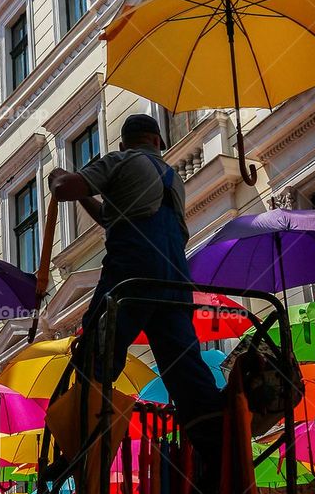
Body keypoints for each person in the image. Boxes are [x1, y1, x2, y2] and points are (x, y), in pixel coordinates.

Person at [48, 113, 225, 468]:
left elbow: (66, 189)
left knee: (97, 352)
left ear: (123, 143)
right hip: (174, 280)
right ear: (158, 141)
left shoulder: (121, 160)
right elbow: (113, 215)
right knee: (183, 366)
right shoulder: (173, 178)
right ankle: (216, 446)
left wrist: (56, 179)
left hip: (132, 272)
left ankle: (79, 444)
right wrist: (86, 198)